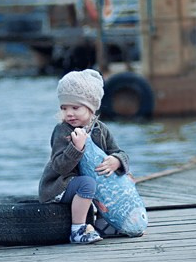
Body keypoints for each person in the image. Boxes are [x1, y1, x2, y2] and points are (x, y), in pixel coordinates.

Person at [39, 69, 130, 245]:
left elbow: (119, 152)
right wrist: (76, 148)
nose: (69, 113)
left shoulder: (100, 129)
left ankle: (106, 222)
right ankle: (78, 229)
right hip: (60, 185)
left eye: (75, 107)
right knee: (87, 183)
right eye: (64, 108)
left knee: (113, 178)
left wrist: (117, 161)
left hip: (88, 184)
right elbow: (59, 167)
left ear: (90, 107)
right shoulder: (62, 131)